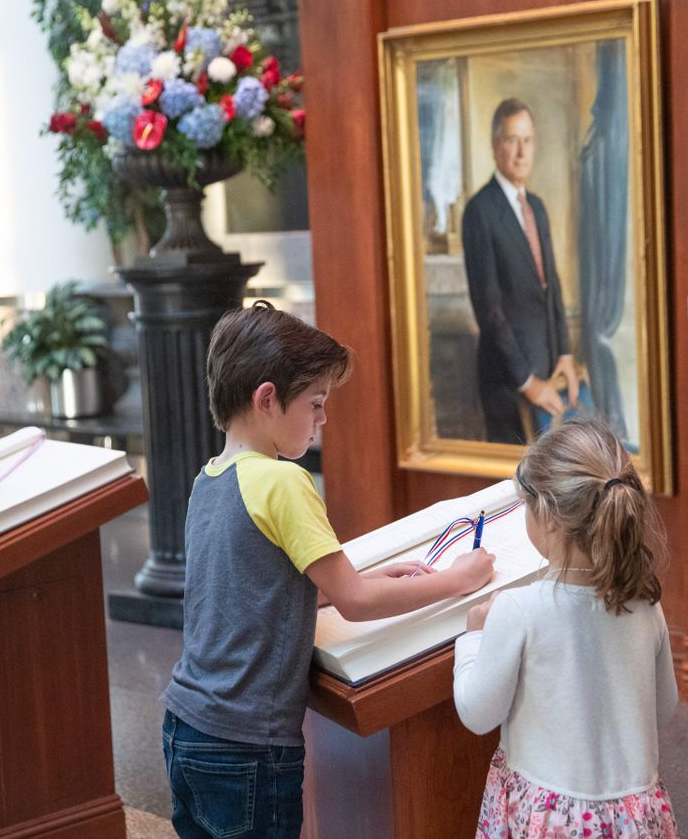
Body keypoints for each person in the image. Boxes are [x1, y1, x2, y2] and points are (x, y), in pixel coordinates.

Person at [160, 301, 496, 838]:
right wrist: (457, 580)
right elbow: (357, 600)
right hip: (250, 742)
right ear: (267, 398)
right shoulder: (283, 481)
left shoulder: (212, 477)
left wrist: (353, 586)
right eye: (315, 403)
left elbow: (245, 591)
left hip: (187, 726)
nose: (323, 419)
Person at [453, 418, 679, 838]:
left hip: (550, 818)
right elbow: (664, 706)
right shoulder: (645, 602)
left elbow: (477, 713)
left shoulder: (517, 609)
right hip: (633, 816)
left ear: (551, 518)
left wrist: (472, 638)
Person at [462, 98, 580, 445]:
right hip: (508, 381)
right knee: (515, 488)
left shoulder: (537, 207)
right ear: (496, 145)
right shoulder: (479, 211)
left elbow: (552, 287)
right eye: (512, 140)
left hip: (548, 369)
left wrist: (565, 355)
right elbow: (490, 310)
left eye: (527, 140)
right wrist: (528, 382)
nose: (521, 151)